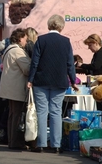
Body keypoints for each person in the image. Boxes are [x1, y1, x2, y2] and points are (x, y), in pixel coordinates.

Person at [27, 14, 78, 153]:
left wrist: (30, 80)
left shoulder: (41, 40)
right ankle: (56, 145)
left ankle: (41, 144)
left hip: (41, 81)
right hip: (60, 82)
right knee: (56, 112)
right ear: (61, 27)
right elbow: (70, 64)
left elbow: (34, 62)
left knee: (42, 112)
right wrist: (73, 80)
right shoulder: (66, 42)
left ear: (49, 25)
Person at [0, 28, 31, 150]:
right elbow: (27, 69)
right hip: (16, 87)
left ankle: (12, 141)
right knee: (17, 116)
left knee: (12, 115)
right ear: (19, 38)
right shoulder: (17, 52)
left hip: (10, 87)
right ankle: (16, 142)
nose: (26, 41)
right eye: (25, 39)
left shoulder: (9, 49)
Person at [76, 34, 102, 122]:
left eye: (90, 45)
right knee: (101, 108)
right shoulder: (97, 54)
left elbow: (95, 66)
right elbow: (93, 70)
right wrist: (78, 70)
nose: (89, 48)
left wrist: (82, 65)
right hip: (101, 84)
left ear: (95, 43)